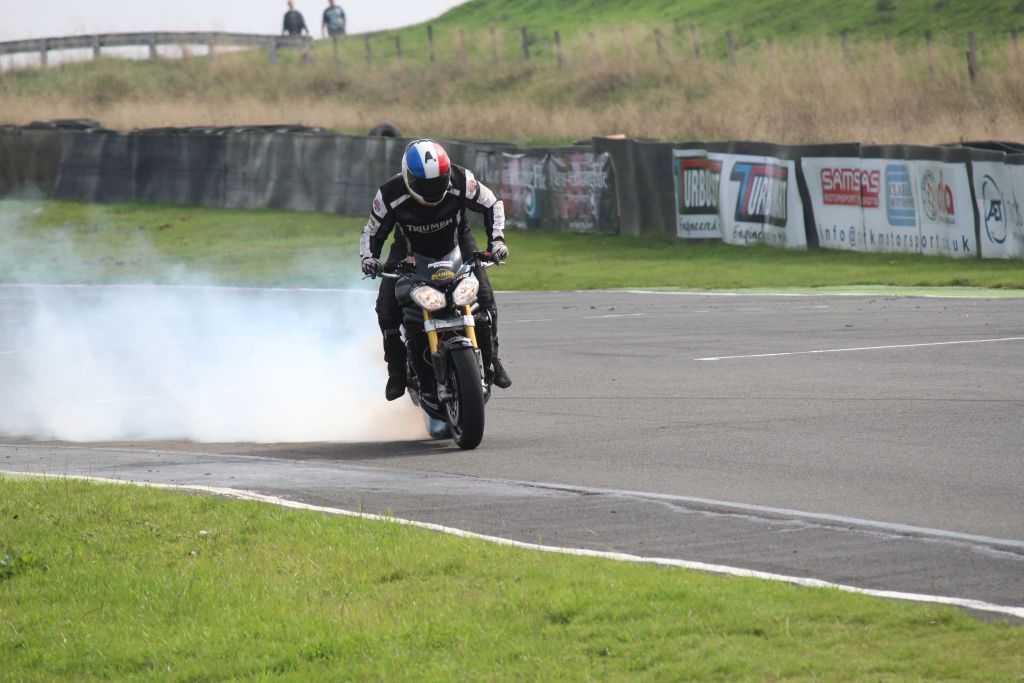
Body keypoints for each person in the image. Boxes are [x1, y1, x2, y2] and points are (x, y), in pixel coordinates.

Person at [361, 139, 512, 401]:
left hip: (458, 243)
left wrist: (496, 241)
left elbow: (493, 203)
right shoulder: (389, 194)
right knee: (386, 307)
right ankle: (396, 371)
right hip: (409, 250)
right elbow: (372, 232)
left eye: (438, 181)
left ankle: (493, 361)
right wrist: (369, 258)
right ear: (408, 177)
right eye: (424, 184)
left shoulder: (462, 180)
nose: (431, 189)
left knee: (485, 297)